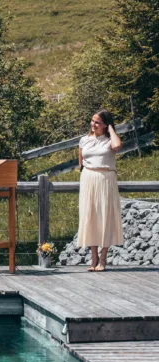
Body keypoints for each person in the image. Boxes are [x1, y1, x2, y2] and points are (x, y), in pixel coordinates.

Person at [77, 110, 123, 272]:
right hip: (89, 178)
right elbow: (81, 162)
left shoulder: (110, 140)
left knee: (105, 216)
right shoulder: (84, 140)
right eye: (92, 121)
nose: (93, 124)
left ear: (105, 124)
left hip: (106, 179)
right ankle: (93, 257)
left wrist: (110, 129)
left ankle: (103, 258)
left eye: (97, 122)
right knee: (90, 216)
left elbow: (117, 146)